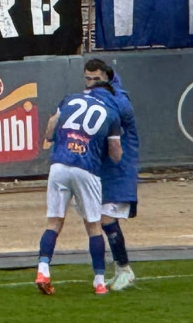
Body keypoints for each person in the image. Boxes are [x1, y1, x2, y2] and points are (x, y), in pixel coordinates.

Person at [36, 77, 124, 296]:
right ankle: (99, 281)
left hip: (59, 164)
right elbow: (115, 153)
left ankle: (43, 269)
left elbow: (49, 131)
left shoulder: (69, 99)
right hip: (87, 168)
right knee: (93, 225)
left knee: (54, 222)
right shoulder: (112, 112)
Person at [81, 58, 141, 292]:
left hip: (119, 167)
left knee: (106, 219)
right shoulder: (98, 97)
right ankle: (119, 269)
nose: (91, 83)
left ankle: (125, 269)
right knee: (99, 218)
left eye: (96, 79)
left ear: (107, 76)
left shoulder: (119, 99)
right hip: (103, 167)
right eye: (87, 79)